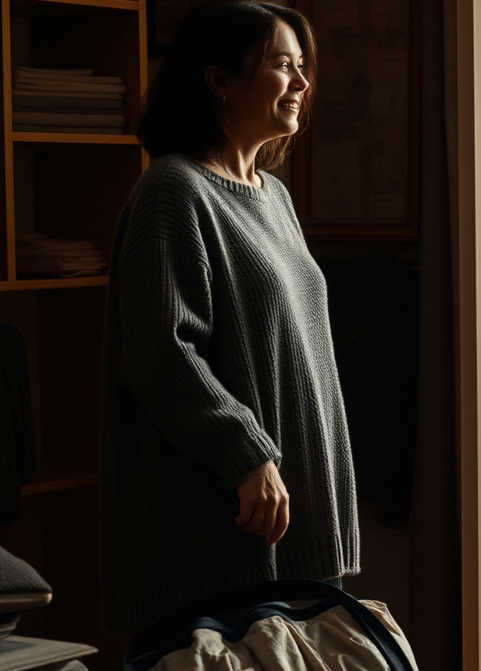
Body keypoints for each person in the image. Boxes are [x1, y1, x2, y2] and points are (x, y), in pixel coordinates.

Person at [100, 1, 359, 631]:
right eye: (282, 65)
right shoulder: (174, 191)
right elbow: (161, 350)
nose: (302, 82)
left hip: (296, 504)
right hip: (223, 511)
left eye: (302, 66)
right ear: (219, 79)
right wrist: (246, 454)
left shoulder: (275, 197)